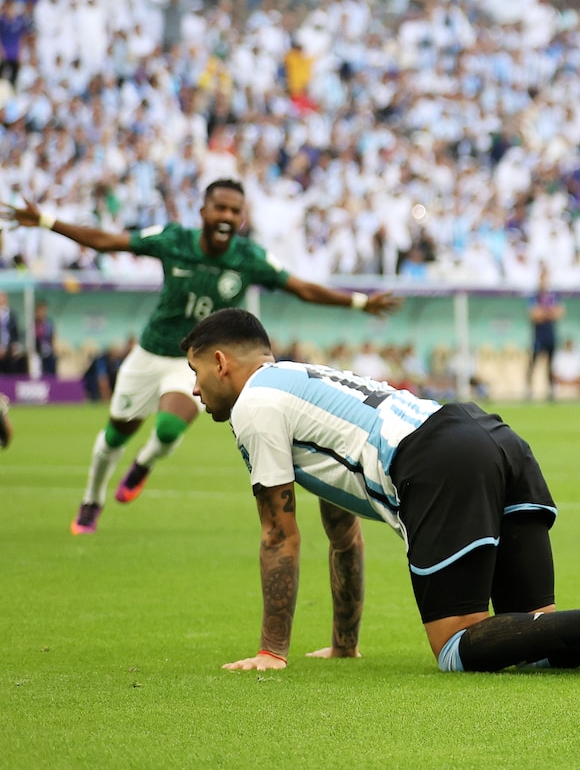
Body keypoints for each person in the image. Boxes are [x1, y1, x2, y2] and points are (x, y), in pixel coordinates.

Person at [180, 308, 580, 678]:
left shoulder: (254, 406)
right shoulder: (302, 381)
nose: (195, 388)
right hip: (494, 437)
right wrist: (343, 644)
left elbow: (279, 535)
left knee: (456, 648)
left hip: (437, 462)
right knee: (529, 636)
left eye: (195, 371)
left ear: (221, 362)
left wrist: (271, 651)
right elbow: (342, 528)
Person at [6, 181, 402, 535]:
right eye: (220, 208)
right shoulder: (173, 240)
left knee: (167, 429)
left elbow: (300, 287)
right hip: (149, 354)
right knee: (114, 437)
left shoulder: (248, 257)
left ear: (242, 217)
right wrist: (45, 220)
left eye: (235, 211)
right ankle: (92, 499)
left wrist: (359, 301)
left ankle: (143, 464)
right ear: (204, 212)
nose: (227, 216)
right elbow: (109, 241)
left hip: (192, 361)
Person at [526, 270, 563, 402]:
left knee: (551, 365)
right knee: (533, 363)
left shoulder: (554, 296)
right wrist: (549, 313)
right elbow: (534, 314)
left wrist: (544, 313)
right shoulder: (534, 296)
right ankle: (529, 390)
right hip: (538, 335)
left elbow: (560, 312)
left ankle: (551, 391)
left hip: (550, 335)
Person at [32, 301, 55, 379]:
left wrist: (54, 348)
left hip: (49, 351)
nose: (41, 313)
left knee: (52, 364)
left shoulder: (49, 323)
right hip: (38, 352)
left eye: (43, 310)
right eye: (39, 311)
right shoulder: (34, 324)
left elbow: (53, 336)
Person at [0, 291, 21, 373]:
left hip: (9, 348)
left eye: (2, 296)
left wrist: (15, 346)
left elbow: (15, 332)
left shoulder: (12, 315)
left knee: (10, 371)